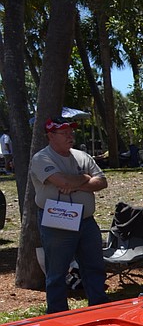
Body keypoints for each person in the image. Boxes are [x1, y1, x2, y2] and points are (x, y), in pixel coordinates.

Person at [30, 116, 110, 313]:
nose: (70, 136)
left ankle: (98, 310)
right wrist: (84, 179)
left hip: (86, 220)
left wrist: (73, 183)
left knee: (94, 267)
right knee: (57, 272)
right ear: (51, 135)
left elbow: (101, 182)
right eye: (64, 133)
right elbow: (61, 182)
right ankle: (57, 315)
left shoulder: (82, 156)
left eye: (71, 132)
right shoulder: (42, 158)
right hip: (57, 220)